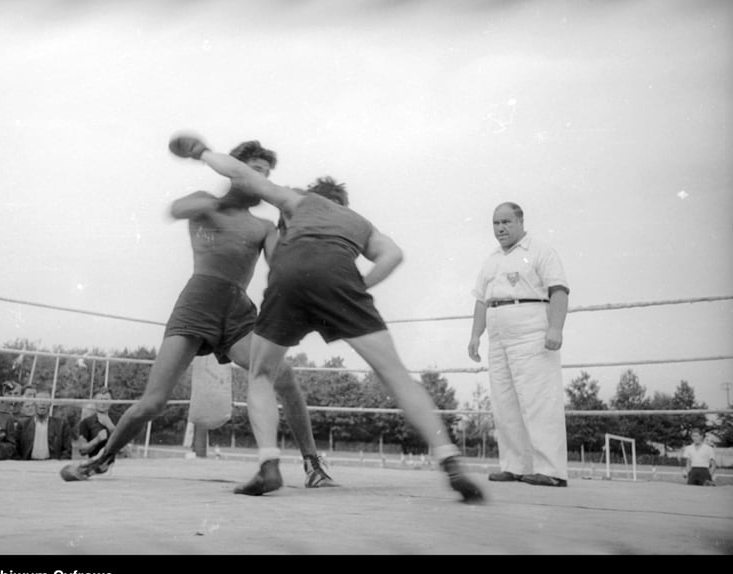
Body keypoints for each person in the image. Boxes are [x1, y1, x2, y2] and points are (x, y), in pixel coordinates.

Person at [167, 134, 484, 502]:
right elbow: (393, 255)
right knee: (394, 374)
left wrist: (202, 152)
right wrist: (358, 285)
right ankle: (449, 457)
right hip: (340, 275)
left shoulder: (300, 200)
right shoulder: (360, 222)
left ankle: (268, 463)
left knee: (262, 373)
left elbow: (242, 175)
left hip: (290, 273)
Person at [60, 140, 335, 488]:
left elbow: (282, 266)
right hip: (197, 304)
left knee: (284, 376)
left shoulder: (264, 227)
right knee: (153, 402)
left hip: (236, 312)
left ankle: (313, 465)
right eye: (254, 171)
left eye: (266, 175)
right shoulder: (207, 204)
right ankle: (102, 460)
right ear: (234, 170)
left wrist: (301, 231)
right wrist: (226, 195)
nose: (261, 180)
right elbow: (176, 209)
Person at [467, 202, 570, 487]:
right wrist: (476, 335)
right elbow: (481, 299)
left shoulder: (541, 251)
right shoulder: (491, 259)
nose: (500, 228)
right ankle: (515, 466)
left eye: (506, 222)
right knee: (504, 402)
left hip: (531, 330)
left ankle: (551, 470)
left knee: (538, 399)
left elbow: (559, 291)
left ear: (521, 221)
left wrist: (555, 328)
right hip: (498, 335)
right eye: (495, 223)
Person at [15, 392, 73, 460]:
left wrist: (58, 464)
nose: (42, 403)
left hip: (52, 464)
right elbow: (16, 448)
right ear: (34, 403)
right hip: (28, 464)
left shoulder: (61, 424)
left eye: (46, 400)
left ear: (50, 404)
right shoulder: (23, 424)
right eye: (39, 400)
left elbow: (67, 450)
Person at [75, 388, 118, 459]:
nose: (103, 403)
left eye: (106, 400)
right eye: (100, 399)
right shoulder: (86, 422)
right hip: (95, 465)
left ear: (112, 401)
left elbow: (124, 449)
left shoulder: (120, 419)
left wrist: (111, 427)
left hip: (119, 465)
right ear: (94, 401)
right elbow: (82, 451)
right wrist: (97, 440)